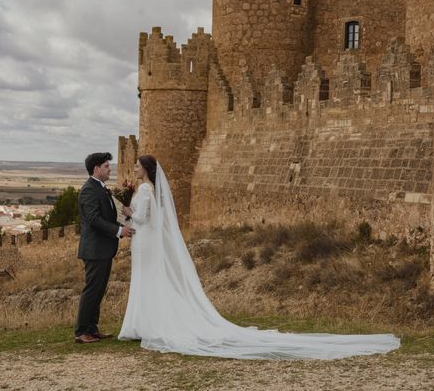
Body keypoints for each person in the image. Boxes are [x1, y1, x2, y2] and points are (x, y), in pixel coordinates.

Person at [118, 154, 400, 360]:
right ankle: (144, 323)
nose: (133, 168)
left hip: (145, 240)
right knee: (152, 281)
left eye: (137, 165)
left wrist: (127, 212)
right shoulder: (150, 188)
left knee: (149, 280)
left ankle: (144, 324)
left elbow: (144, 217)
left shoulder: (144, 189)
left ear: (145, 169)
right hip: (146, 241)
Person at [74, 152, 135, 344]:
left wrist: (124, 219)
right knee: (92, 289)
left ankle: (92, 329)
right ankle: (82, 331)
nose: (110, 169)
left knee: (99, 289)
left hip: (103, 248)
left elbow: (107, 215)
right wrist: (119, 231)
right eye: (107, 166)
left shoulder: (101, 188)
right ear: (96, 169)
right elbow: (93, 219)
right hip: (94, 249)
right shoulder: (89, 190)